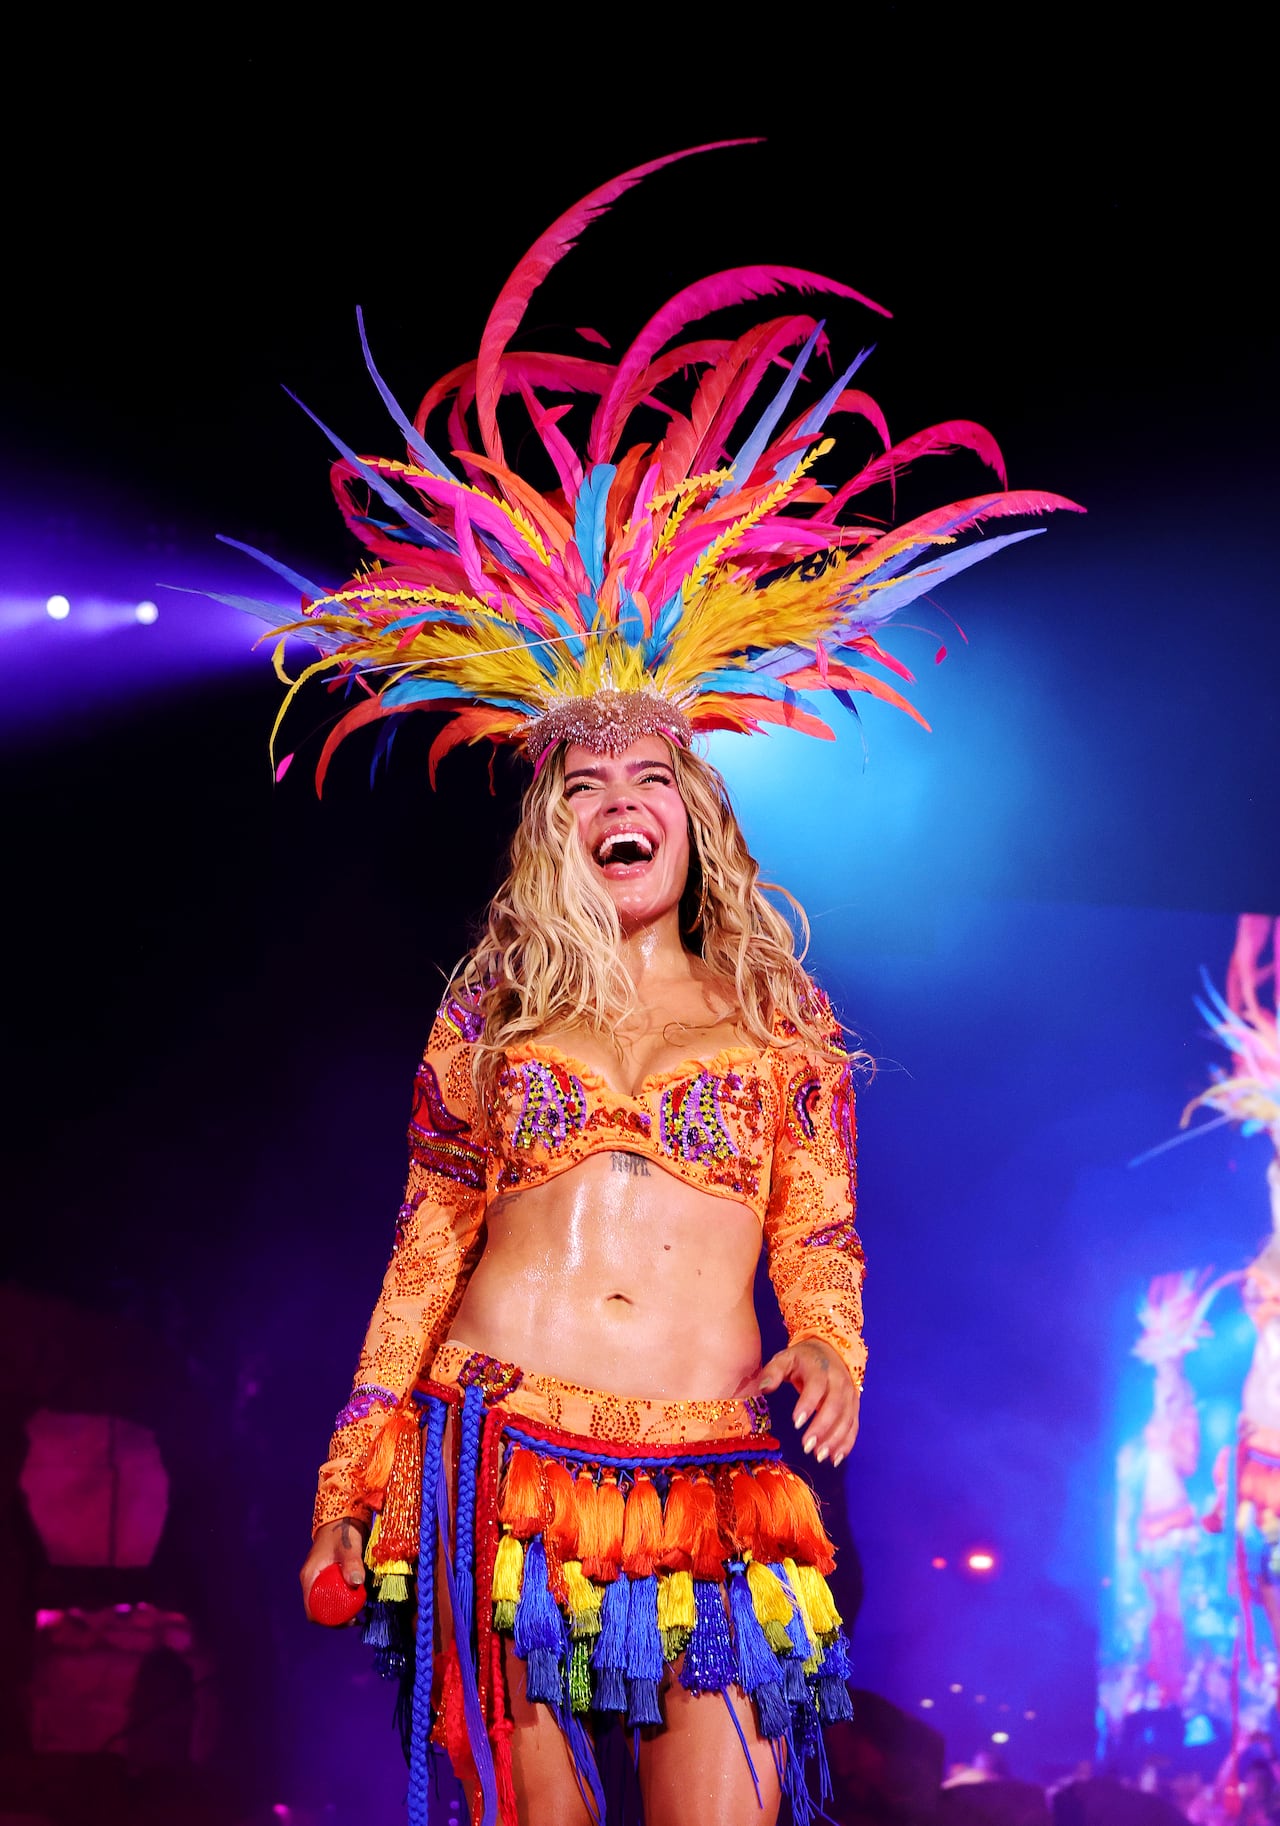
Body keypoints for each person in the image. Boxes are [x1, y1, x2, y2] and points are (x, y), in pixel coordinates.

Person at [247, 143, 1077, 1826]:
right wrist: (351, 1466)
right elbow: (428, 1232)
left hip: (710, 1463)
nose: (619, 807)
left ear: (693, 819)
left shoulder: (783, 1020)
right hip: (491, 1448)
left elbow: (819, 1231)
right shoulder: (491, 1005)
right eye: (583, 786)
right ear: (553, 822)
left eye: (649, 786)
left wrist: (834, 1340)